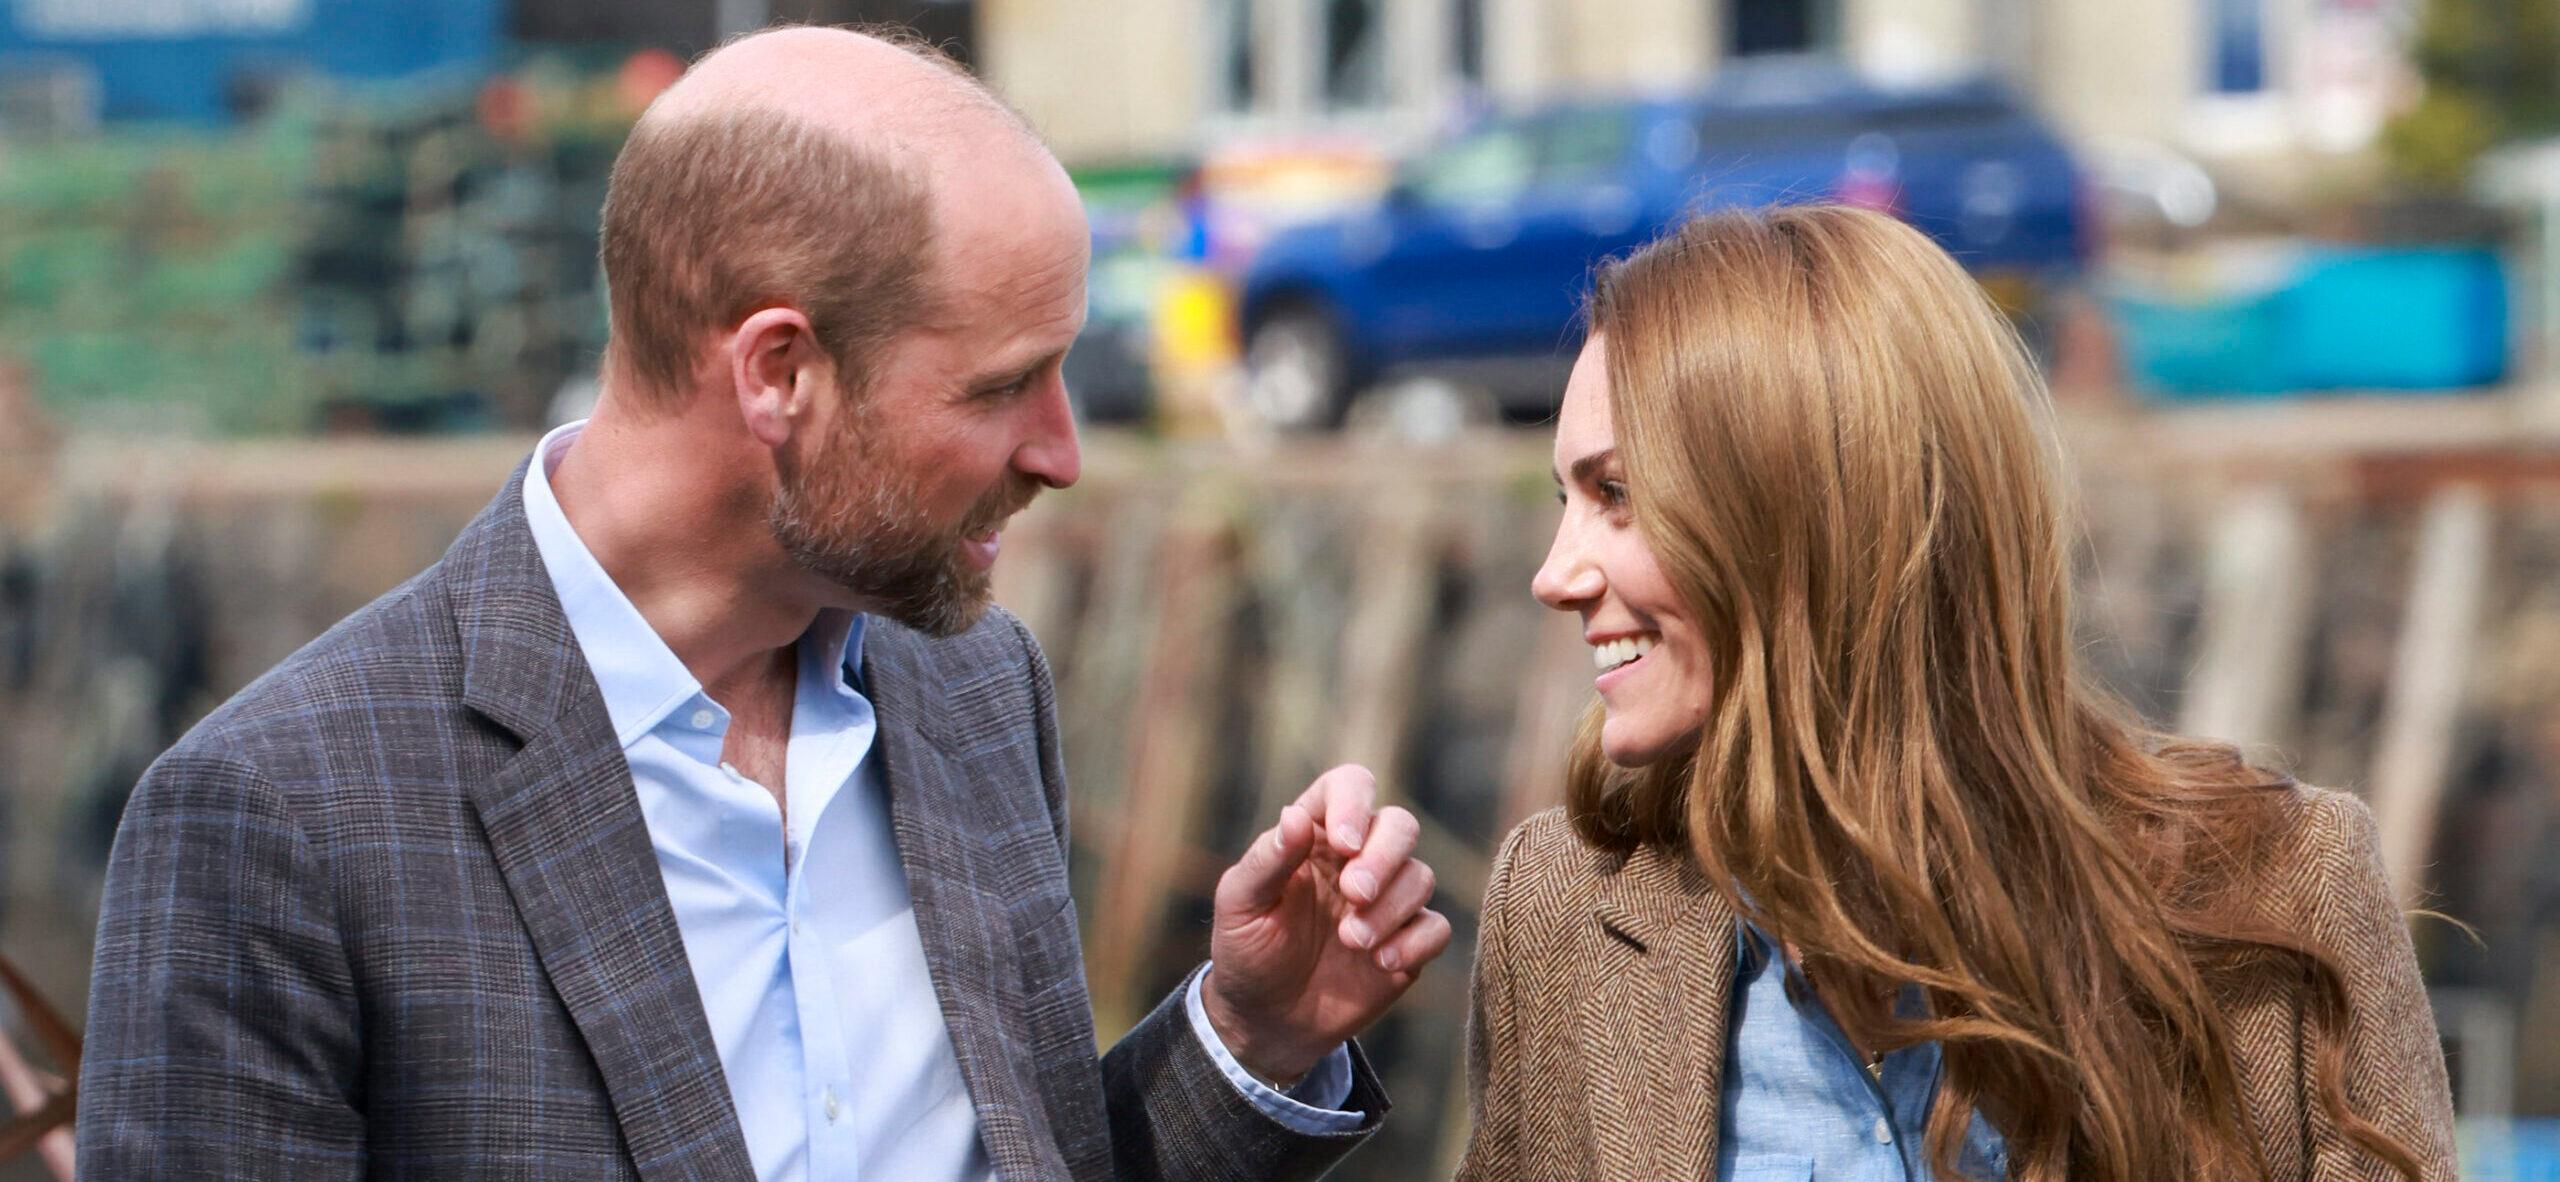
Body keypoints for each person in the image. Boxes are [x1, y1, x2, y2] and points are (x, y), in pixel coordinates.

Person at [78, 26, 1451, 1181]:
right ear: (778, 373)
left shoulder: (978, 691)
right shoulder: (276, 816)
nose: (1061, 452)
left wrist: (1249, 1035)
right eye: (999, 386)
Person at [1460, 204, 2458, 1181]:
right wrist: (1342, 1050)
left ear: (1808, 513)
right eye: (1565, 499)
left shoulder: (2280, 887)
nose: (1554, 575)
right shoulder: (1561, 915)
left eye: (1617, 494)